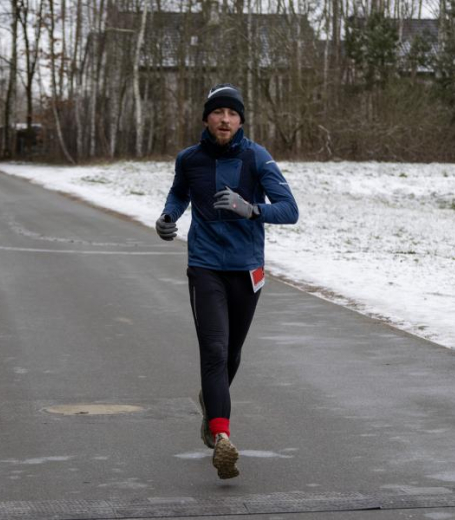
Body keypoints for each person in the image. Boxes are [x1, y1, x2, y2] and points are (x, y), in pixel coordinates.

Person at [155, 83, 299, 479]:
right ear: (206, 119)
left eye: (232, 113)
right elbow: (178, 194)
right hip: (205, 266)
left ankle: (210, 404)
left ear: (241, 121)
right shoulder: (190, 159)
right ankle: (222, 437)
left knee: (232, 353)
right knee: (215, 351)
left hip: (247, 268)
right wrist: (168, 217)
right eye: (218, 112)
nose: (225, 119)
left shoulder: (258, 158)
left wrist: (250, 209)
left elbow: (290, 211)